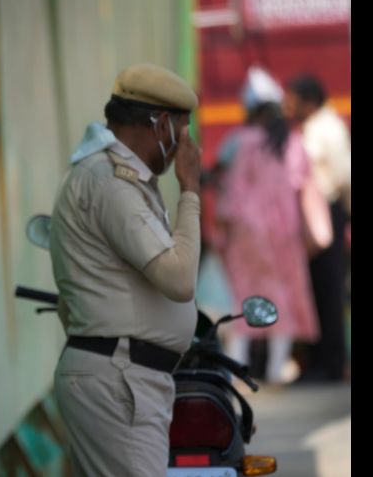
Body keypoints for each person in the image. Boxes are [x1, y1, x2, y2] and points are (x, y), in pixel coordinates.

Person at [49, 63, 202, 476]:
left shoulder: (116, 177)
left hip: (125, 378)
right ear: (164, 124)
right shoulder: (109, 181)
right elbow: (179, 278)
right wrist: (190, 190)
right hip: (120, 380)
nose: (185, 145)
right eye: (183, 132)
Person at [212, 66, 319, 384]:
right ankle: (275, 370)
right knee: (282, 299)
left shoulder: (239, 142)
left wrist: (220, 230)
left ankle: (237, 370)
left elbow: (228, 189)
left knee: (242, 298)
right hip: (284, 234)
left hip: (246, 235)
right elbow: (303, 185)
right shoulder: (292, 142)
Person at [283, 74, 351, 382]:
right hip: (314, 214)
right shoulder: (312, 129)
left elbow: (341, 175)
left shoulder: (328, 129)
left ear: (309, 101)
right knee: (311, 289)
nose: (289, 106)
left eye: (293, 99)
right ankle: (316, 361)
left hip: (326, 213)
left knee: (328, 289)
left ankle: (331, 363)